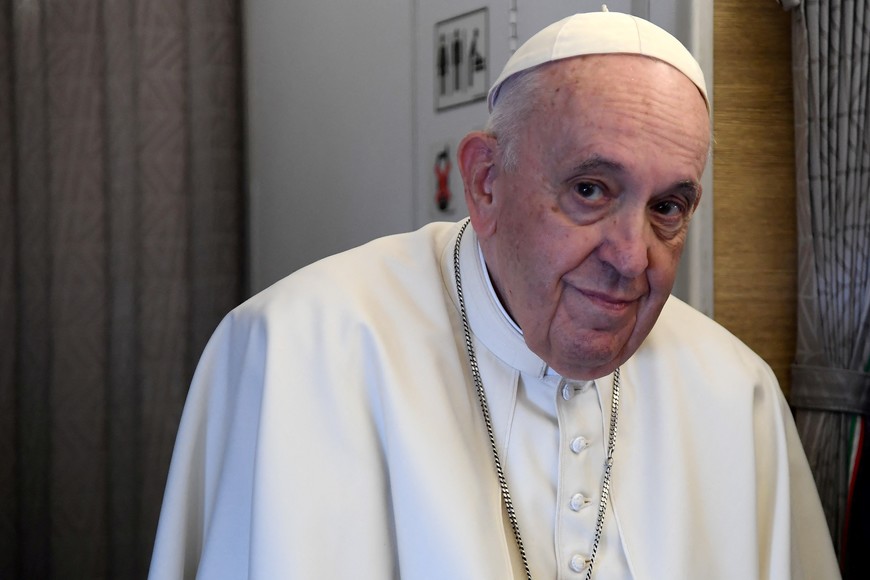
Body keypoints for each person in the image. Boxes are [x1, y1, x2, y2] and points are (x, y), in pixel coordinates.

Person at [149, 10, 839, 580]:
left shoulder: (736, 393)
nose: (632, 259)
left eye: (667, 207)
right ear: (485, 183)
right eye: (590, 190)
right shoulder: (297, 350)